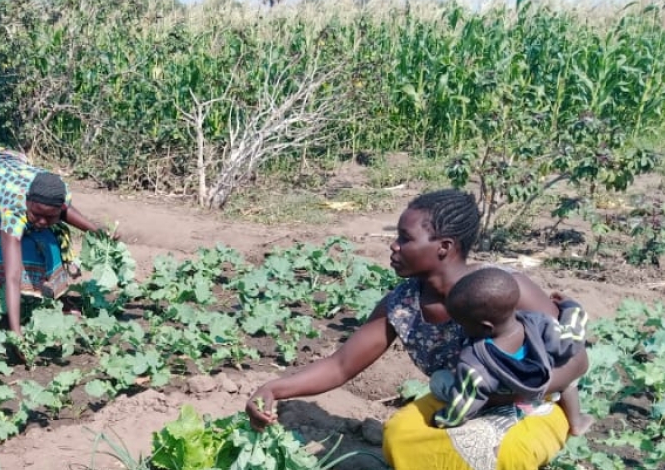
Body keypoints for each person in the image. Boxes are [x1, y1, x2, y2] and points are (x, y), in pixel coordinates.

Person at [244, 188, 589, 470]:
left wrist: (511, 390)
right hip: (459, 399)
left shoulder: (501, 289)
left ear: (444, 247)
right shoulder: (402, 304)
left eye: (405, 238)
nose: (394, 246)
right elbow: (340, 365)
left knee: (503, 453)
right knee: (400, 436)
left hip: (533, 402)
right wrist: (274, 388)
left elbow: (576, 360)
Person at [0, 145, 111, 335]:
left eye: (50, 216)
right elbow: (13, 276)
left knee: (49, 238)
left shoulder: (61, 194)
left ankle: (59, 298)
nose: (43, 221)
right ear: (27, 200)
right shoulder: (14, 208)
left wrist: (98, 231)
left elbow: (65, 212)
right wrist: (16, 332)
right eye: (37, 214)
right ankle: (3, 307)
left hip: (9, 168)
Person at [431, 267, 593, 437]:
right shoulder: (539, 323)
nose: (462, 330)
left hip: (503, 396)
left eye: (463, 325)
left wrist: (443, 420)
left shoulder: (474, 359)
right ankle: (576, 421)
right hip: (543, 384)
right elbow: (571, 337)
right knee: (568, 374)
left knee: (440, 379)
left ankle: (506, 411)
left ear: (486, 327)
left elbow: (466, 403)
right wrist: (571, 307)